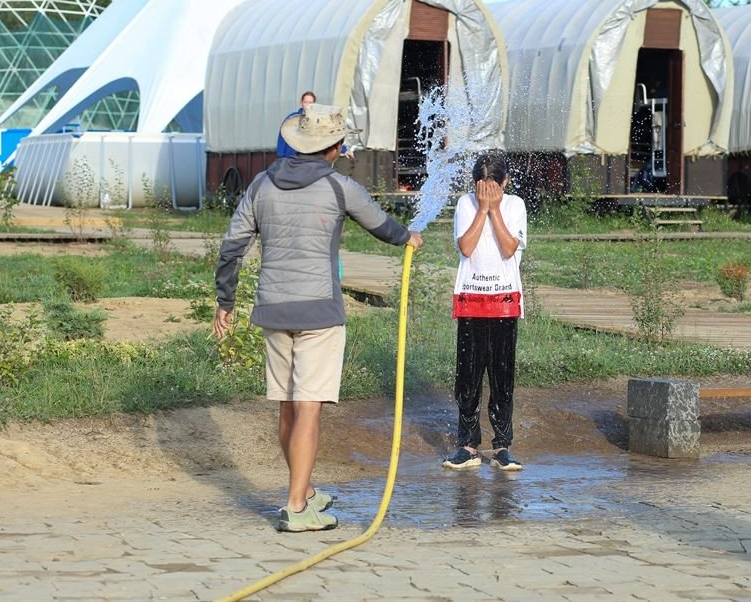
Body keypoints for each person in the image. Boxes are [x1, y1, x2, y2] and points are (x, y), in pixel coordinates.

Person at [214, 103, 422, 532]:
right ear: (335, 147)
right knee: (309, 406)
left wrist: (225, 303)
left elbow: (232, 247)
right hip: (319, 312)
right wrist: (410, 237)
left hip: (273, 309)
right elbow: (382, 226)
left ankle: (304, 490)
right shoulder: (339, 187)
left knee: (287, 405)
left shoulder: (260, 185)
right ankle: (296, 507)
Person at [443, 154, 527, 472]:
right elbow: (466, 247)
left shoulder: (515, 205)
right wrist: (482, 209)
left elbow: (508, 248)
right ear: (475, 186)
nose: (489, 193)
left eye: (495, 189)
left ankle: (502, 446)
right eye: (483, 189)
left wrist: (495, 211)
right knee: (468, 377)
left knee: (502, 377)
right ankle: (467, 445)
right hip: (471, 300)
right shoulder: (466, 205)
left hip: (504, 301)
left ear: (504, 183)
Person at [278, 91, 354, 160]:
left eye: (310, 102)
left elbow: (328, 135)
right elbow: (283, 135)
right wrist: (281, 156)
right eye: (305, 102)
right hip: (290, 156)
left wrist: (344, 150)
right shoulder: (292, 119)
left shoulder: (318, 120)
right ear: (301, 103)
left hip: (307, 158)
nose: (308, 105)